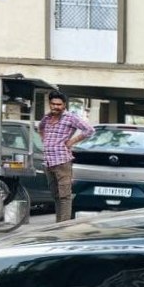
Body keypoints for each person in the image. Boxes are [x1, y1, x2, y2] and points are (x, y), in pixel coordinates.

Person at [36, 90, 95, 222]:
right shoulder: (47, 118)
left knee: (65, 196)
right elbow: (40, 128)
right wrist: (45, 140)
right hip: (48, 162)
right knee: (55, 195)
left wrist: (72, 141)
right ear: (49, 104)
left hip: (62, 161)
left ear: (64, 105)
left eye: (59, 104)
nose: (56, 107)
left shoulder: (70, 117)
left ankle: (64, 226)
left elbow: (89, 130)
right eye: (53, 104)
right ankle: (58, 223)